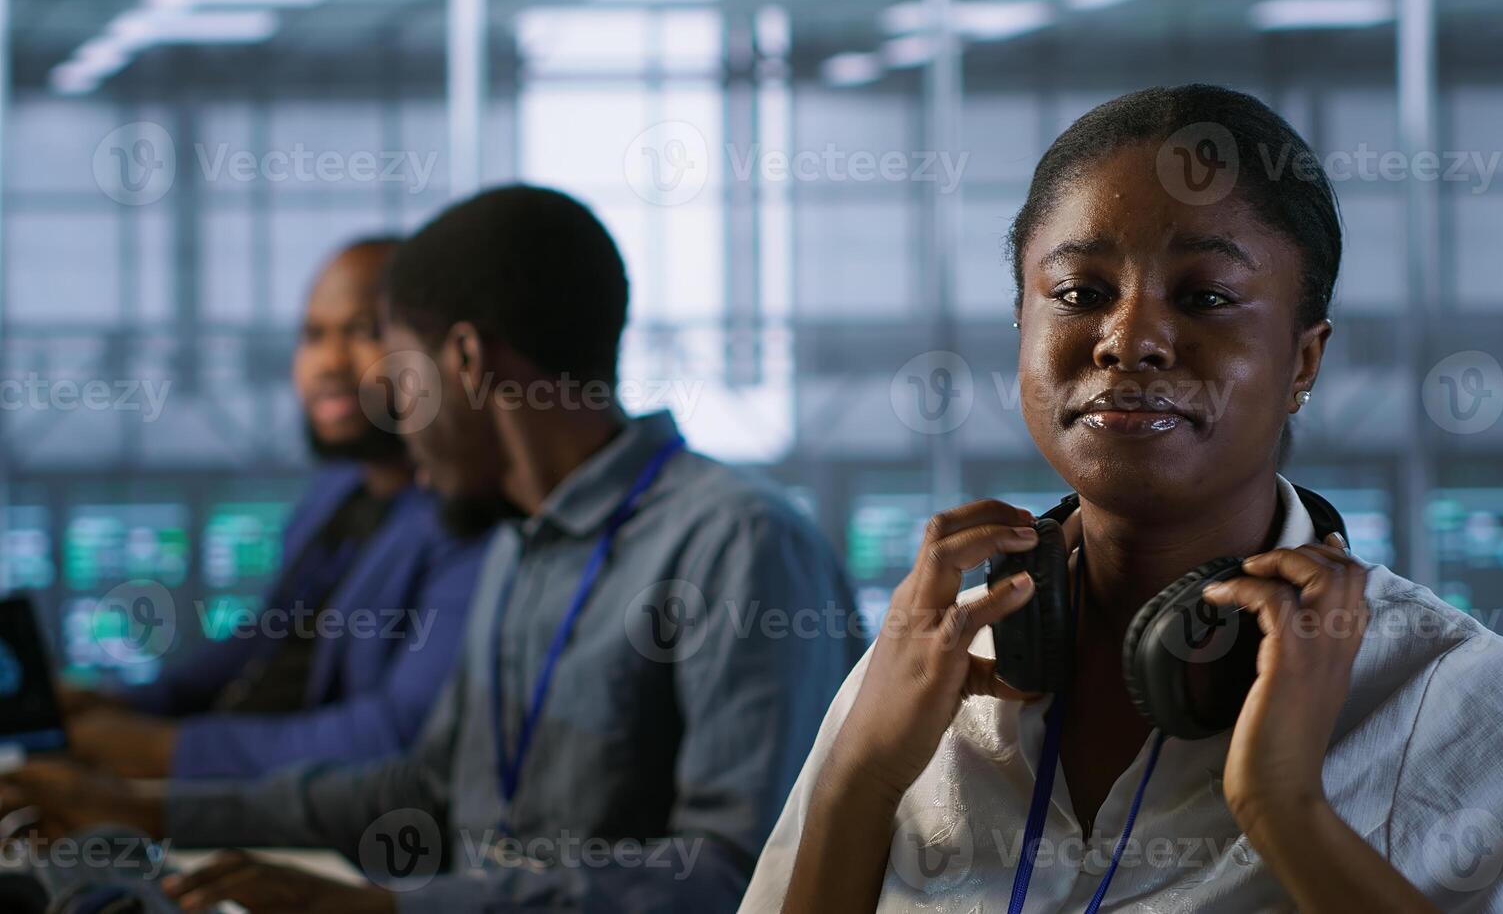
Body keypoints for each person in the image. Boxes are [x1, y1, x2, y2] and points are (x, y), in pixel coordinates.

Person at [745, 86, 1503, 912]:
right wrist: (860, 778)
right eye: (1078, 292)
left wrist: (1287, 813)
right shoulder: (926, 669)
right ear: (1021, 328)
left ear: (1302, 361)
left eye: (1203, 297)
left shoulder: (1444, 696)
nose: (1128, 339)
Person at [1, 185, 860, 914]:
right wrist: (145, 810)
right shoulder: (517, 545)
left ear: (468, 360)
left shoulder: (736, 544)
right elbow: (424, 791)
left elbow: (735, 876)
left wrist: (395, 910)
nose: (395, 420)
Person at [57, 237, 487, 781]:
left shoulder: (470, 520)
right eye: (313, 336)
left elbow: (396, 736)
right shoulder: (335, 492)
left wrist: (162, 751)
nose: (329, 363)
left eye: (365, 331)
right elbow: (259, 645)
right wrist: (115, 706)